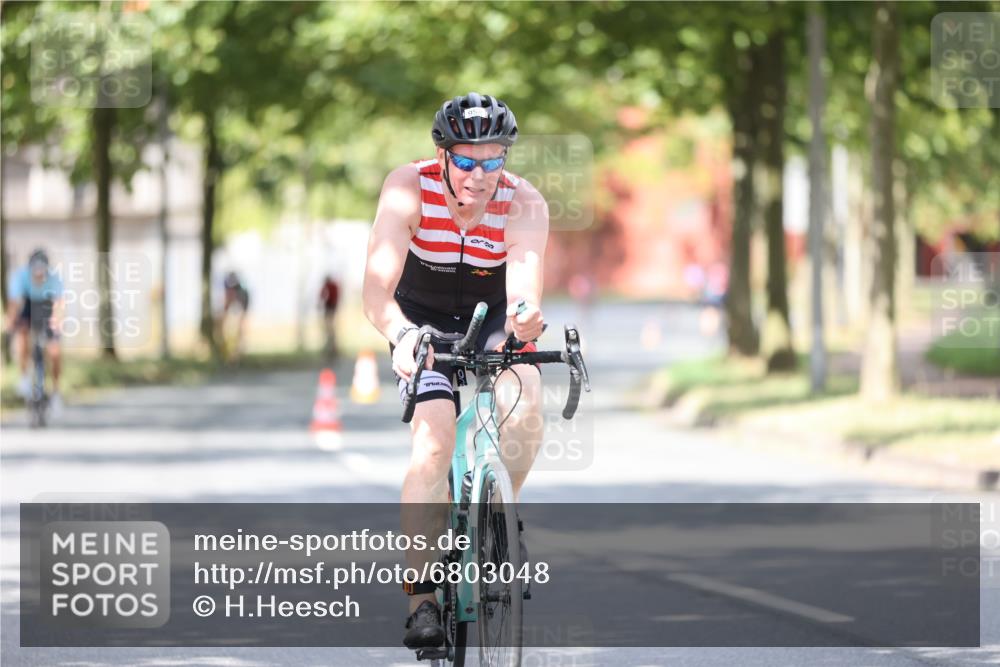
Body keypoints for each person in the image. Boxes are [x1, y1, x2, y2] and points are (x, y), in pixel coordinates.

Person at [361, 93, 549, 649]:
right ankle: (420, 599)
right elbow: (375, 289)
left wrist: (528, 316)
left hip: (492, 316)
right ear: (443, 156)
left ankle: (499, 520)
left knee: (526, 395)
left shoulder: (524, 202)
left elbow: (523, 290)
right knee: (434, 442)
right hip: (419, 322)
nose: (479, 174)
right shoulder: (407, 187)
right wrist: (399, 334)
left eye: (493, 161)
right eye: (467, 161)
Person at [5, 248, 64, 409]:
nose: (38, 275)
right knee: (22, 335)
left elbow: (59, 305)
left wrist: (57, 324)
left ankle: (56, 392)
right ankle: (24, 377)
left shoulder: (54, 279)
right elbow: (15, 304)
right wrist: (11, 323)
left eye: (42, 271)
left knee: (55, 352)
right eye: (35, 271)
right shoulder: (20, 277)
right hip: (28, 307)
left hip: (46, 308)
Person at [219, 271, 249, 359]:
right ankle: (228, 351)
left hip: (241, 304)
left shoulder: (242, 293)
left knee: (241, 327)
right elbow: (226, 305)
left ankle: (238, 351)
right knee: (225, 326)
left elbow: (243, 313)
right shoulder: (229, 289)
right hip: (234, 307)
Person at [318, 274, 340, 357]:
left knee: (330, 328)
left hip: (330, 308)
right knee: (329, 329)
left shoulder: (332, 286)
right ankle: (331, 347)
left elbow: (324, 296)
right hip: (330, 308)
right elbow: (322, 295)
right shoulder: (330, 286)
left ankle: (332, 348)